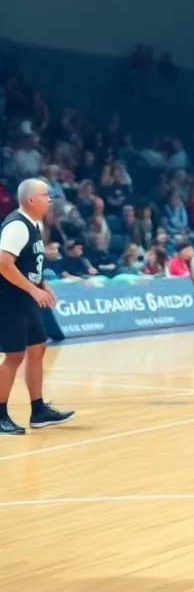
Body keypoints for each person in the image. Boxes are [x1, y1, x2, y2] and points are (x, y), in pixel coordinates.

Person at [0, 179, 74, 435]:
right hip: (9, 299)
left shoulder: (35, 223)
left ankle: (38, 410)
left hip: (27, 297)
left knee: (37, 348)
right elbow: (4, 263)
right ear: (31, 199)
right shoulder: (17, 226)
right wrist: (32, 289)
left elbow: (30, 261)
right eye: (46, 195)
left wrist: (42, 284)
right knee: (14, 356)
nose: (50, 199)